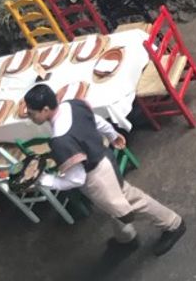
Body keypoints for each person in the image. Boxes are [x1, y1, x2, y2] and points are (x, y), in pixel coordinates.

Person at [24, 84, 185, 255]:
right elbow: (98, 122)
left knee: (130, 202)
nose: (29, 115)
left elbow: (76, 179)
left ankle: (173, 224)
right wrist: (112, 135)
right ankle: (126, 238)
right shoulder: (72, 105)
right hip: (105, 156)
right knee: (113, 206)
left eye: (31, 112)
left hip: (97, 176)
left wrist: (44, 180)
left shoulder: (60, 140)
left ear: (46, 109)